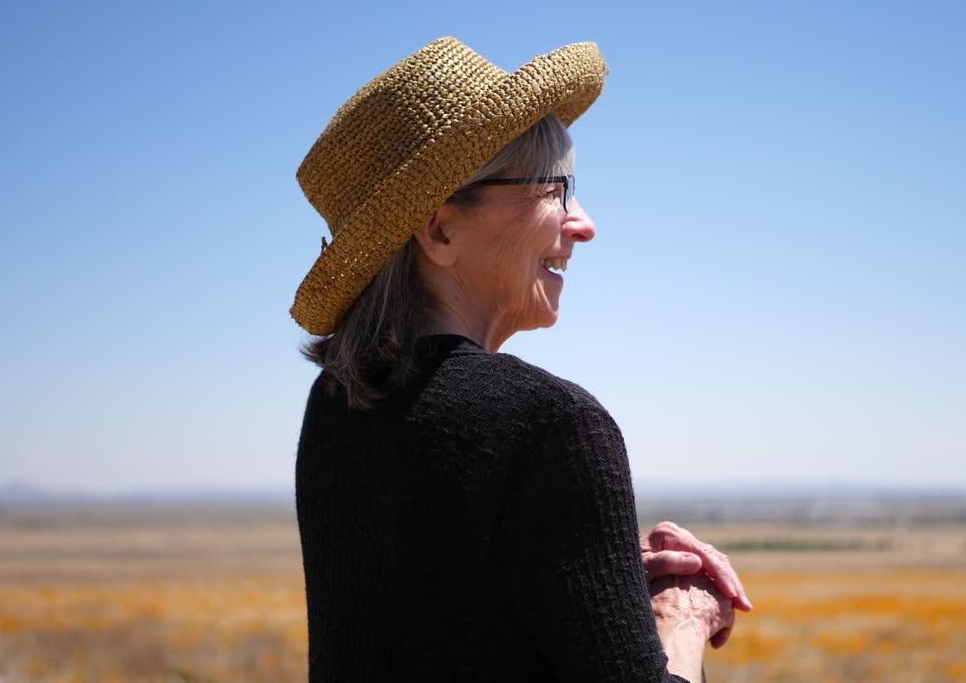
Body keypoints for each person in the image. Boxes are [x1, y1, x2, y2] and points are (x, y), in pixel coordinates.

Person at [291, 37, 752, 682]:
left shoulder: (340, 401)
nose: (583, 223)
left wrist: (601, 575)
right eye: (554, 190)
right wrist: (682, 616)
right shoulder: (548, 422)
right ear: (441, 229)